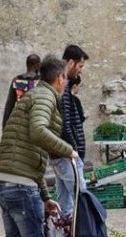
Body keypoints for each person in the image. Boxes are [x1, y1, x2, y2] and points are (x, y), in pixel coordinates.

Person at [0, 55, 78, 237]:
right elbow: (39, 132)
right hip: (20, 187)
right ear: (59, 79)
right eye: (65, 78)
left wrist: (44, 195)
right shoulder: (44, 97)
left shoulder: (31, 97)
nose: (65, 83)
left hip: (7, 182)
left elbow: (31, 154)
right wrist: (68, 149)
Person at [52, 45, 89, 216]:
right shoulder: (63, 88)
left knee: (65, 203)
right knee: (81, 198)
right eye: (80, 66)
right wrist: (73, 150)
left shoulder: (63, 87)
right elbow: (65, 124)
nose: (80, 71)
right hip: (67, 154)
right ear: (71, 63)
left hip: (62, 153)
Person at [2, 53, 40, 129]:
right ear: (37, 65)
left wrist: (4, 126)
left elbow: (9, 106)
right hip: (37, 122)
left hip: (20, 122)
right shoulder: (41, 81)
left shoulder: (16, 80)